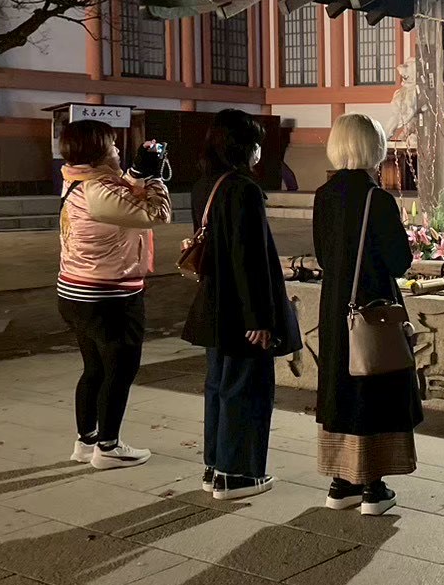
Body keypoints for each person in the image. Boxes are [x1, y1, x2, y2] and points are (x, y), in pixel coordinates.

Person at [182, 109, 302, 500]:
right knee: (246, 390)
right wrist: (259, 318)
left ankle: (215, 466)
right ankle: (237, 475)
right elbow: (248, 258)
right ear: (243, 147)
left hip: (214, 303)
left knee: (219, 386)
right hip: (241, 311)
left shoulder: (205, 185)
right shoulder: (243, 190)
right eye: (256, 144)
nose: (259, 152)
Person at [312, 113, 421, 513]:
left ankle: (341, 482)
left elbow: (323, 256)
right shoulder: (378, 199)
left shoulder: (323, 196)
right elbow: (398, 261)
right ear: (373, 147)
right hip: (373, 310)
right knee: (374, 386)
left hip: (335, 308)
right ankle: (373, 486)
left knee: (341, 386)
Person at [57, 119, 171, 469]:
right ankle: (108, 447)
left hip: (77, 292)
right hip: (109, 295)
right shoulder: (99, 190)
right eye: (112, 144)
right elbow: (157, 214)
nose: (118, 149)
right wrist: (155, 178)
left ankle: (86, 441)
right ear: (98, 151)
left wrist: (136, 173)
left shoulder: (78, 180)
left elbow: (118, 196)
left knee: (94, 369)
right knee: (119, 370)